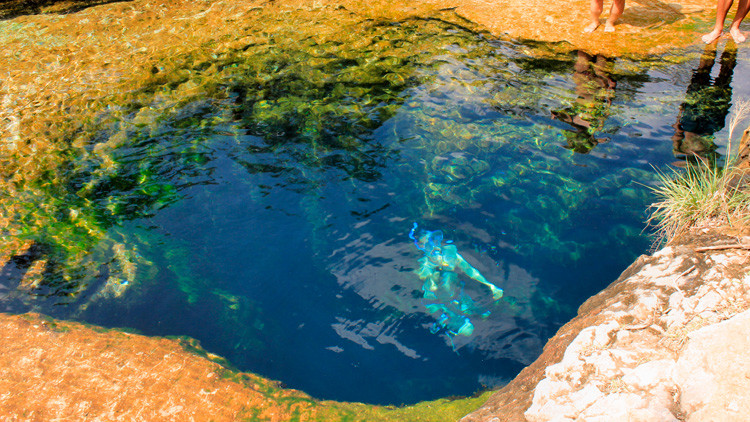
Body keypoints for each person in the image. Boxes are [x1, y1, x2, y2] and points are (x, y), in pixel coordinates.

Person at [409, 223, 503, 338]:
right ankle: (457, 326)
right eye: (427, 242)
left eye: (433, 239)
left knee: (477, 311)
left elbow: (469, 269)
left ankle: (468, 319)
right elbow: (432, 290)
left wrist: (491, 286)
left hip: (455, 294)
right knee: (462, 320)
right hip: (442, 299)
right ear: (421, 246)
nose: (433, 244)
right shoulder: (424, 265)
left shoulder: (449, 254)